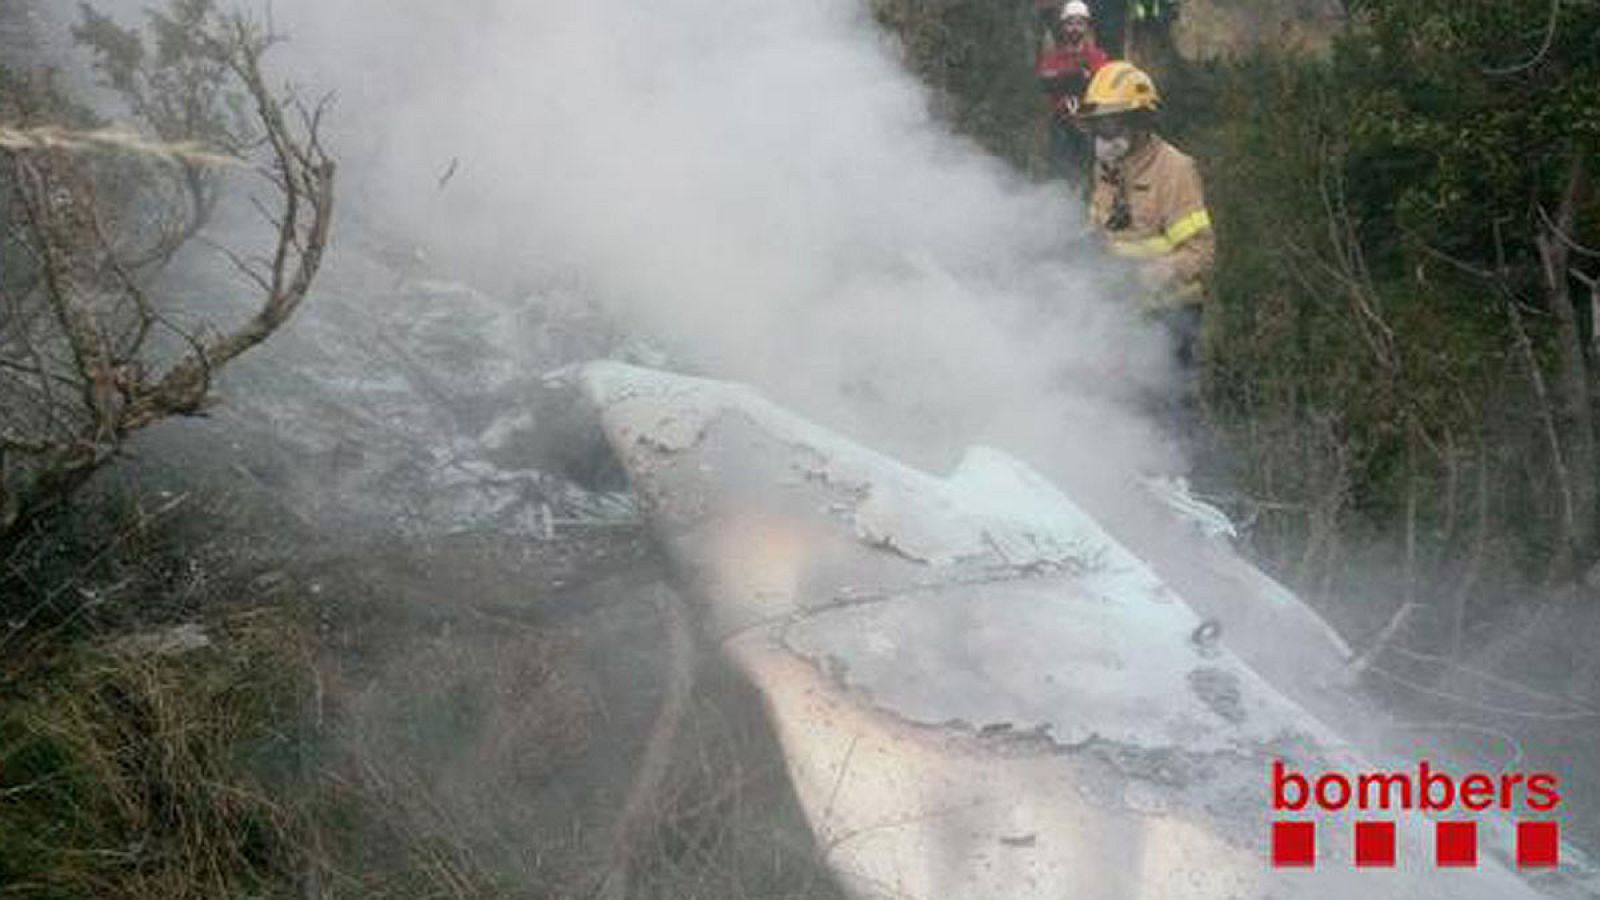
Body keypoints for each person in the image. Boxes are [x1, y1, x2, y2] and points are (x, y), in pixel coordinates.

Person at [1076, 60, 1214, 413]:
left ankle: (1178, 469)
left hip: (1171, 316)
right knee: (1120, 408)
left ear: (1140, 122)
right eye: (1097, 126)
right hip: (1121, 312)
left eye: (1110, 124)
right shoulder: (1107, 168)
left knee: (1168, 410)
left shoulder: (1175, 170)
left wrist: (1146, 277)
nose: (1103, 138)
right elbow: (1102, 228)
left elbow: (1201, 251)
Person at [1035, 1, 1109, 184]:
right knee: (1060, 176)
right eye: (1070, 23)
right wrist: (1078, 78)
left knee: (1090, 175)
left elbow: (1102, 84)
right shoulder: (1052, 58)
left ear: (1086, 26)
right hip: (1062, 124)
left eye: (1079, 23)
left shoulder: (1097, 56)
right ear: (1063, 26)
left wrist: (1068, 80)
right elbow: (1046, 84)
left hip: (1090, 125)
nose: (1074, 28)